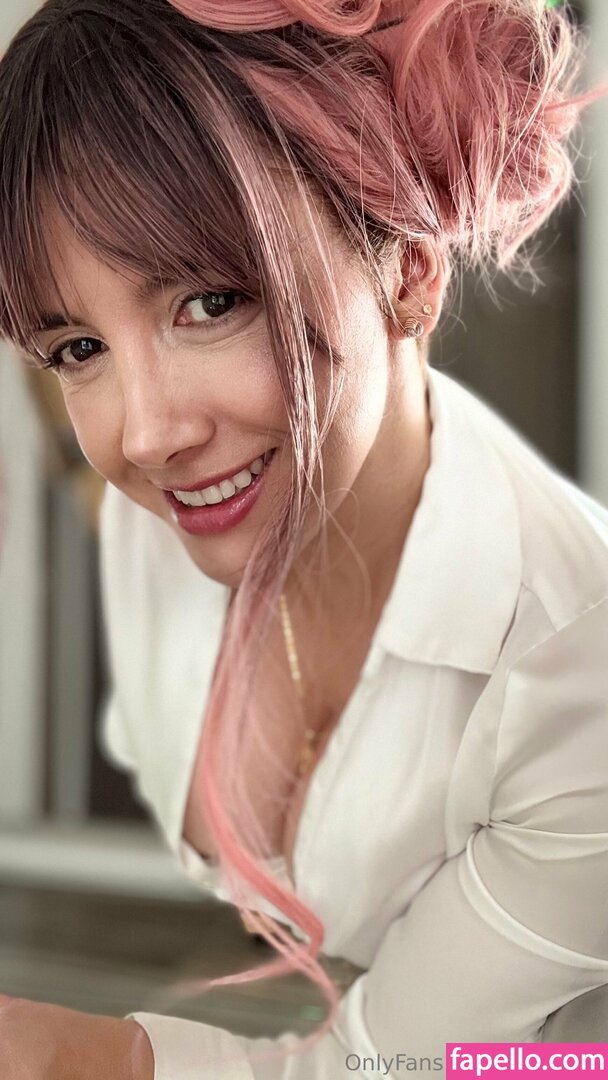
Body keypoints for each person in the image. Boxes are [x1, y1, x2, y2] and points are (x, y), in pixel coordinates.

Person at [0, 0, 607, 1076]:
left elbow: (397, 1068)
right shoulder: (160, 530)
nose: (146, 435)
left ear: (410, 270)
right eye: (79, 347)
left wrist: (89, 1058)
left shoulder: (577, 679)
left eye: (211, 301)